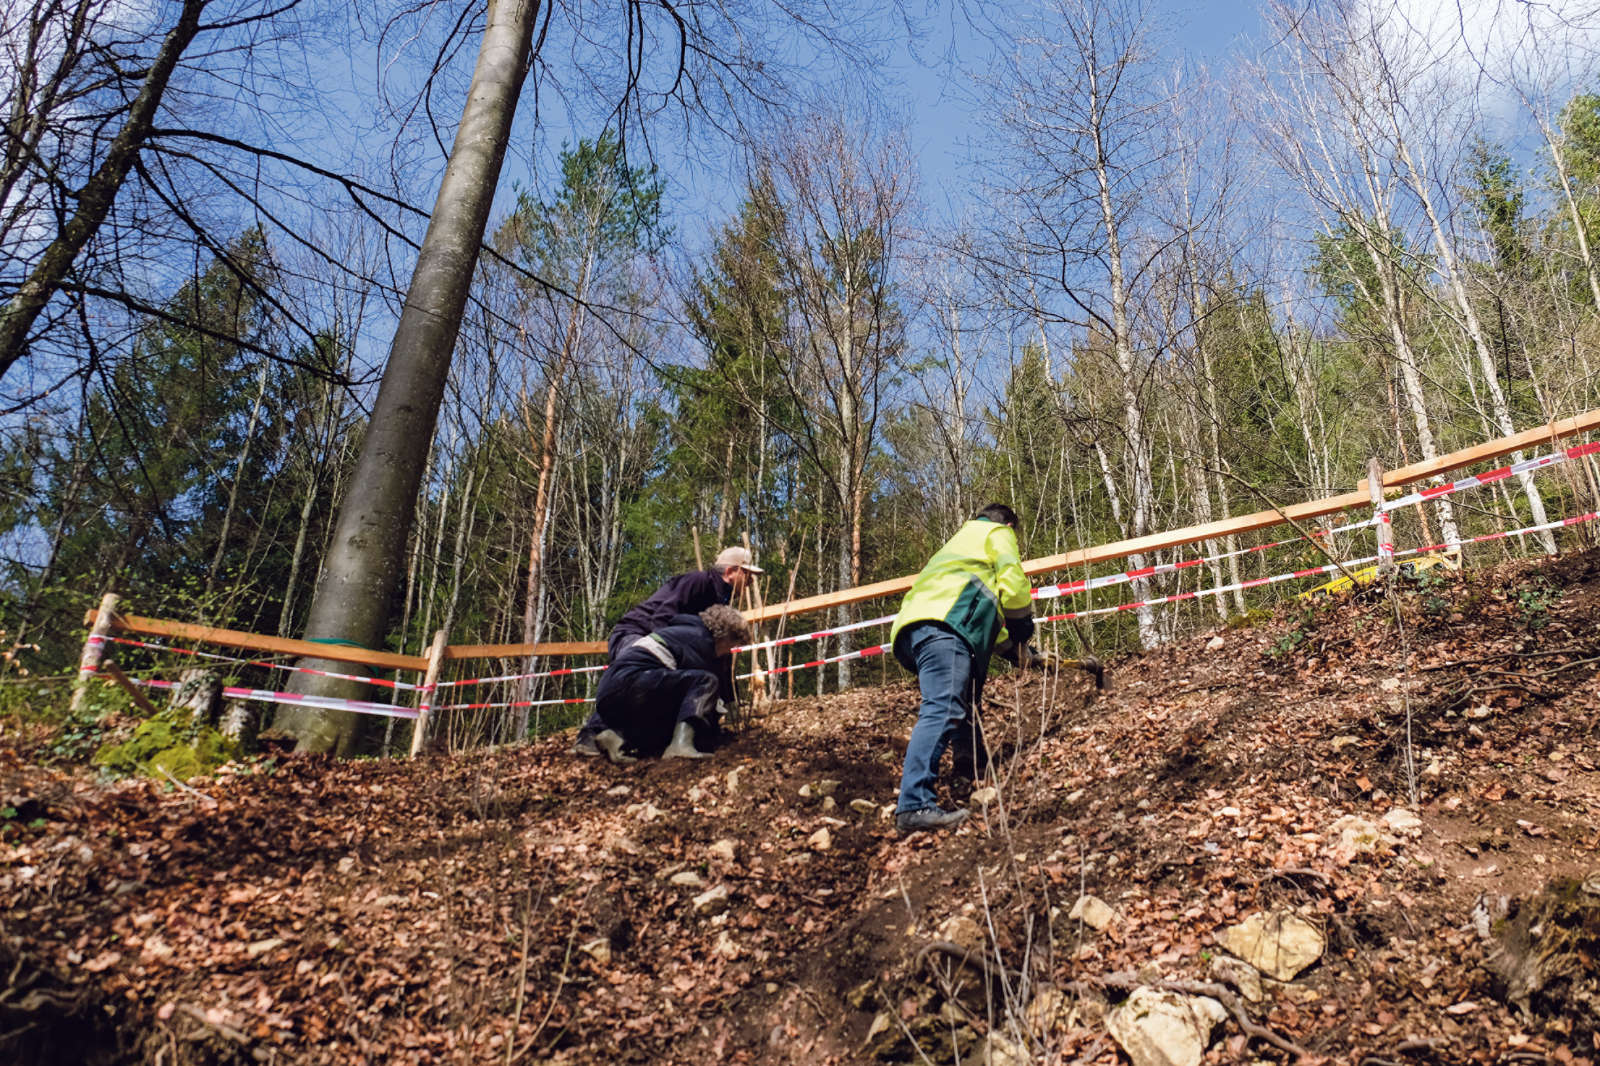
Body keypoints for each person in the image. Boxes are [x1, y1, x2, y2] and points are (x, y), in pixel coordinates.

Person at [889, 503, 1035, 833]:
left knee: (963, 701)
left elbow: (981, 608)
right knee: (943, 708)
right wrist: (1022, 626)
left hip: (917, 629)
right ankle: (913, 805)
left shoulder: (958, 545)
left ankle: (969, 766)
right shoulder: (997, 533)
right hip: (946, 627)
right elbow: (1012, 579)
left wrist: (1015, 649)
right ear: (1009, 524)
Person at [571, 547, 763, 755]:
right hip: (639, 632)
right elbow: (662, 615)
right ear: (730, 572)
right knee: (633, 675)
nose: (752, 581)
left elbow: (719, 656)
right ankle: (589, 736)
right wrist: (665, 650)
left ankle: (622, 737)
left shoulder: (719, 598)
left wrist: (730, 699)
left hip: (661, 639)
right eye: (748, 574)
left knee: (667, 687)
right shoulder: (698, 582)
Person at [587, 605, 752, 763]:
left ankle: (618, 737)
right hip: (633, 682)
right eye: (731, 646)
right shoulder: (701, 640)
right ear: (725, 636)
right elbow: (703, 692)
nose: (728, 653)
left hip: (612, 693)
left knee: (668, 726)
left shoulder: (682, 631)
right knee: (706, 681)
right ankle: (681, 745)